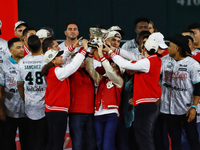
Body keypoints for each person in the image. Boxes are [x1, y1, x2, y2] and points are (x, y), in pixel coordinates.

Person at [106, 39, 162, 150]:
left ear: (144, 49)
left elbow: (124, 64)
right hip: (149, 104)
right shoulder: (153, 59)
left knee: (144, 137)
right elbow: (131, 55)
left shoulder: (147, 62)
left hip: (146, 105)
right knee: (143, 135)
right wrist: (114, 50)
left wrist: (110, 53)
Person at [41, 45, 87, 150]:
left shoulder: (52, 70)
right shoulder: (58, 72)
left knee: (52, 140)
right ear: (53, 61)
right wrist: (83, 50)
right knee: (57, 142)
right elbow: (73, 66)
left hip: (52, 111)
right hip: (58, 111)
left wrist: (72, 48)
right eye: (58, 56)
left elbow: (64, 56)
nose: (61, 57)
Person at [160, 34, 200, 150]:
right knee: (174, 138)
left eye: (170, 46)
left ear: (177, 48)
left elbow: (198, 87)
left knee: (192, 138)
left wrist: (194, 107)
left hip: (186, 109)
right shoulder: (164, 61)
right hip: (168, 109)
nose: (168, 48)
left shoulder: (193, 64)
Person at [85, 42, 123, 150]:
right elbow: (90, 69)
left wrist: (101, 55)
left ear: (119, 71)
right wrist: (91, 53)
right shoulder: (102, 80)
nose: (112, 67)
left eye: (115, 67)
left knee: (107, 145)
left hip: (111, 115)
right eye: (112, 65)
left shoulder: (119, 81)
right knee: (99, 144)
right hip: (98, 114)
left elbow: (110, 72)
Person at [17, 35, 48, 150]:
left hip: (29, 105)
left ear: (28, 47)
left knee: (31, 138)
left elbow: (19, 84)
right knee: (43, 138)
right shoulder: (46, 60)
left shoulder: (22, 62)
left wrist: (24, 98)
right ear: (41, 45)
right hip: (45, 104)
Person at [0, 38, 29, 150]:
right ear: (10, 50)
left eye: (22, 47)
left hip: (26, 111)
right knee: (7, 142)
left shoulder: (27, 63)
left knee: (27, 141)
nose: (22, 49)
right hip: (8, 111)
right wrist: (1, 110)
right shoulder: (3, 66)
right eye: (18, 47)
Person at [69, 51, 96, 150]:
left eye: (85, 59)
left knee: (91, 143)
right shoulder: (71, 72)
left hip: (90, 112)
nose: (85, 61)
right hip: (76, 112)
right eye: (82, 59)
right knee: (77, 143)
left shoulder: (90, 73)